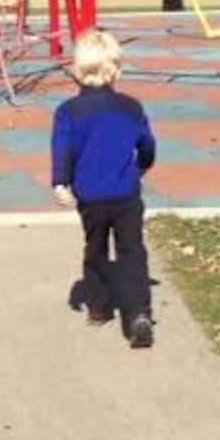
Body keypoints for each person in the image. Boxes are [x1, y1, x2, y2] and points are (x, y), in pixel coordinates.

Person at [50, 27, 157, 348]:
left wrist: (61, 182)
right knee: (131, 251)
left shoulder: (68, 111)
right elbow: (148, 145)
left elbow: (62, 149)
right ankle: (137, 312)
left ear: (76, 71)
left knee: (95, 247)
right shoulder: (131, 107)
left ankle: (97, 307)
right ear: (118, 71)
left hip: (91, 195)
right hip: (126, 193)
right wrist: (140, 168)